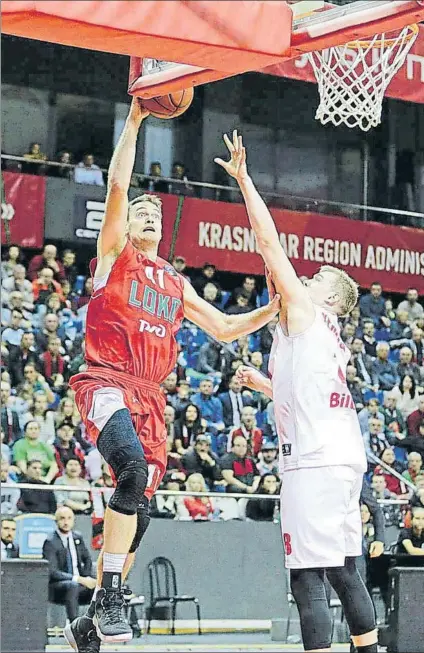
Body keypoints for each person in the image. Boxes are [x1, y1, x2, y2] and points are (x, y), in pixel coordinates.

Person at [66, 101, 280, 649]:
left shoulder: (173, 280)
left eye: (155, 213)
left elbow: (226, 329)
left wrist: (272, 309)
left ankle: (91, 618)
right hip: (107, 380)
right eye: (141, 211)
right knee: (131, 471)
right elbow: (118, 184)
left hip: (151, 399)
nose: (149, 215)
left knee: (140, 510)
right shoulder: (114, 256)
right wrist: (135, 120)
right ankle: (111, 591)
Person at [216, 130, 378, 653]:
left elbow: (268, 246)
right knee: (344, 570)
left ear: (330, 296)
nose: (303, 279)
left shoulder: (308, 313)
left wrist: (244, 180)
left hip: (313, 463)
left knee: (306, 578)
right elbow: (305, 396)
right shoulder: (324, 338)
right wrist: (265, 384)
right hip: (342, 460)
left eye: (315, 277)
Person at [43, 507, 96, 624]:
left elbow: (87, 559)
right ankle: (75, 626)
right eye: (62, 518)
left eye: (69, 518)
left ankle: (98, 626)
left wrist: (86, 577)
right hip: (57, 586)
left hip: (80, 582)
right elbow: (53, 572)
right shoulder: (50, 542)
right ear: (56, 521)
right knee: (73, 585)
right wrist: (79, 579)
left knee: (101, 587)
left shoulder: (78, 537)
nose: (66, 522)